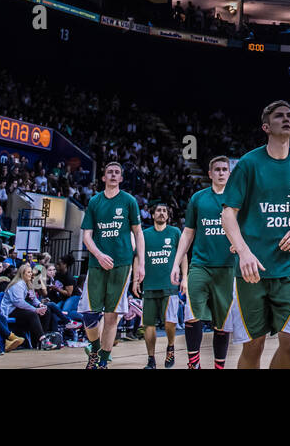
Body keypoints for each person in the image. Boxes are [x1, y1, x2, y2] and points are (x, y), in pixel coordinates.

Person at [221, 101, 290, 369]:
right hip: (252, 270)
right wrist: (243, 251)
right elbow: (228, 213)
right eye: (279, 116)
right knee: (254, 346)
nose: (286, 119)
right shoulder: (248, 164)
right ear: (266, 127)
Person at [174, 156, 238, 370]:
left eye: (224, 169)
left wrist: (239, 245)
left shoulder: (237, 199)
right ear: (210, 174)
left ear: (229, 173)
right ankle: (194, 364)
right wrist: (175, 264)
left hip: (227, 268)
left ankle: (219, 366)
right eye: (217, 169)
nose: (221, 173)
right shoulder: (198, 199)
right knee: (193, 317)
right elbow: (187, 233)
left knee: (223, 325)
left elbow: (245, 230)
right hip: (200, 266)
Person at [79, 161, 144, 369]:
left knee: (111, 315)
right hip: (97, 264)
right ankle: (95, 350)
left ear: (121, 178)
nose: (114, 175)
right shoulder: (94, 202)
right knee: (89, 314)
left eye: (117, 172)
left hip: (122, 264)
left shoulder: (129, 201)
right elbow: (87, 236)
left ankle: (103, 360)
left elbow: (138, 233)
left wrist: (140, 264)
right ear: (104, 177)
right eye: (110, 172)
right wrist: (99, 255)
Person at [139, 202, 182, 369]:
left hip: (169, 285)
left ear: (168, 215)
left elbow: (183, 255)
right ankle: (151, 360)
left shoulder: (175, 232)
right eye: (158, 210)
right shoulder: (144, 234)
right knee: (148, 324)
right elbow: (138, 258)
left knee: (169, 322)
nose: (161, 213)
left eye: (164, 211)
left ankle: (170, 347)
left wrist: (184, 278)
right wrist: (137, 279)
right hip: (149, 284)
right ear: (152, 214)